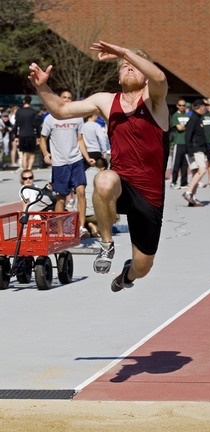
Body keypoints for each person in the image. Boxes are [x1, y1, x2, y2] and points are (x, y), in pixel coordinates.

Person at [28, 40, 169, 292]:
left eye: (133, 66)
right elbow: (60, 110)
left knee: (143, 266)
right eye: (123, 66)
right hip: (120, 184)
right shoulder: (105, 101)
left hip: (150, 195)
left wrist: (125, 52)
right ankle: (106, 243)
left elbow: (159, 76)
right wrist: (42, 87)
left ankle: (127, 276)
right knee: (103, 179)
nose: (127, 68)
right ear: (117, 77)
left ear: (145, 75)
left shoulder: (154, 101)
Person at [39, 88, 95, 239]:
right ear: (59, 99)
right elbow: (43, 139)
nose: (67, 100)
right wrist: (45, 153)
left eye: (69, 97)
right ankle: (60, 231)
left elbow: (80, 140)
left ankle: (82, 227)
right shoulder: (50, 118)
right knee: (61, 197)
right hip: (60, 163)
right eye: (64, 97)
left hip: (76, 160)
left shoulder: (77, 118)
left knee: (81, 192)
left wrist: (87, 157)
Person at [183, 99, 208, 207]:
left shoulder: (198, 118)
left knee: (195, 174)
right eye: (204, 107)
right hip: (195, 149)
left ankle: (192, 198)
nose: (205, 109)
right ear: (200, 107)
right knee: (202, 170)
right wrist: (190, 150)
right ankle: (188, 193)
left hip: (196, 148)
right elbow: (187, 135)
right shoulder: (194, 119)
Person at [13, 95, 40, 171]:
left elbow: (16, 125)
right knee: (32, 154)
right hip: (31, 134)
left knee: (24, 154)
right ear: (30, 102)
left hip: (22, 134)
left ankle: (25, 170)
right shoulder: (33, 112)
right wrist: (38, 136)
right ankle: (29, 169)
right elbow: (36, 125)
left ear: (23, 101)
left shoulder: (19, 111)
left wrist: (16, 136)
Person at [85, 157, 108, 237]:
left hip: (79, 213)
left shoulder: (85, 172)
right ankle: (94, 225)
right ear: (103, 168)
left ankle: (87, 224)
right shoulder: (101, 176)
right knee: (115, 215)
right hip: (92, 214)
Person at [170, 98, 189, 189]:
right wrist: (187, 127)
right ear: (177, 106)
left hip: (186, 143)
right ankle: (173, 182)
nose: (182, 107)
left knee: (185, 164)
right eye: (180, 105)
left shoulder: (187, 116)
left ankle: (184, 182)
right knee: (176, 164)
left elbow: (188, 128)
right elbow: (179, 128)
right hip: (178, 142)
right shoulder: (175, 116)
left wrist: (185, 127)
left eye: (184, 105)